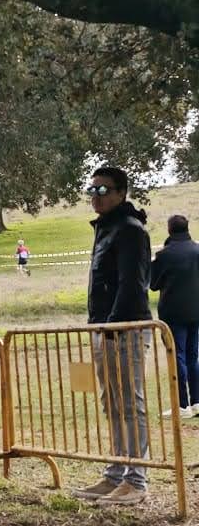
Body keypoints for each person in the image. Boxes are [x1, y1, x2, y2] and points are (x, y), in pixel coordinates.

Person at [81, 166, 153, 504]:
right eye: (92, 190)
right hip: (104, 328)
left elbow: (131, 286)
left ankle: (136, 479)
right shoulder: (106, 229)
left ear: (122, 192)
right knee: (112, 402)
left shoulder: (129, 230)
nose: (97, 197)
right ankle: (115, 473)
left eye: (104, 190)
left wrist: (111, 325)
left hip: (125, 329)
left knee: (129, 401)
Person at [150, 213, 199, 419]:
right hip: (196, 310)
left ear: (170, 229)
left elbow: (153, 284)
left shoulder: (164, 256)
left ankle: (182, 404)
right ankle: (197, 401)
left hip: (173, 312)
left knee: (177, 355)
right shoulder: (198, 250)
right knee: (193, 355)